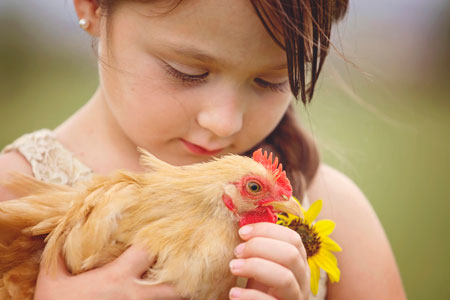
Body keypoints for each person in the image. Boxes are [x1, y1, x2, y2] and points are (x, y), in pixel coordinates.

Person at [0, 0, 407, 299]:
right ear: (91, 7)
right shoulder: (11, 195)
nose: (223, 121)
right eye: (188, 71)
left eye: (270, 81)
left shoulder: (333, 212)